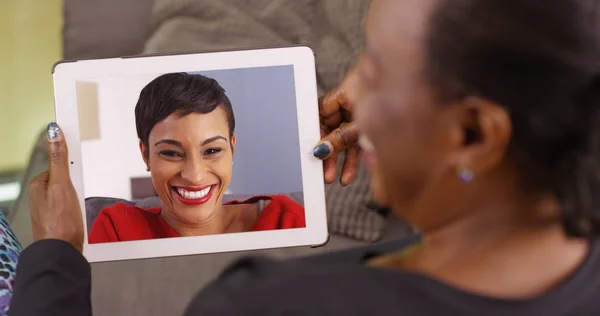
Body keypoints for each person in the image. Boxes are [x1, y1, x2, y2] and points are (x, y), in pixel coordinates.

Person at [10, 0, 600, 314]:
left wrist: (55, 258)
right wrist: (402, 139)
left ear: (473, 133)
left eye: (373, 66)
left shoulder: (259, 303)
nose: (347, 93)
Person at [88, 73, 306, 244]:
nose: (194, 176)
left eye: (212, 151)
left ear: (232, 148)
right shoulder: (116, 228)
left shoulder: (285, 221)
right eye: (171, 153)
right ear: (145, 155)